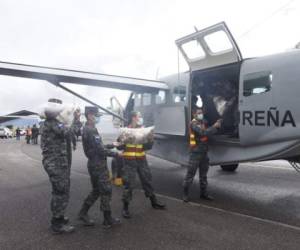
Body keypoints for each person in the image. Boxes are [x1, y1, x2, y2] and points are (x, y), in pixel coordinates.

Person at [77, 106, 121, 229]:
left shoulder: (88, 128)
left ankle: (82, 213)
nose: (98, 118)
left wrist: (111, 145)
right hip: (98, 165)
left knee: (96, 190)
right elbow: (100, 150)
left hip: (93, 164)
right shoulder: (90, 130)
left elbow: (97, 147)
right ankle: (107, 220)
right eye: (97, 116)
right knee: (106, 191)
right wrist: (116, 153)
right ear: (90, 115)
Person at [117, 111, 165, 219]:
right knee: (128, 184)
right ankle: (125, 208)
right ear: (134, 118)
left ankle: (154, 202)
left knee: (147, 180)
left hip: (141, 159)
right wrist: (122, 141)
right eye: (139, 116)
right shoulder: (125, 130)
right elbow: (119, 147)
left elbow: (147, 147)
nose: (140, 118)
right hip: (129, 160)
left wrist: (151, 140)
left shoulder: (143, 130)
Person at [41, 98, 75, 234]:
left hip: (56, 163)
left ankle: (59, 216)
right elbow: (68, 132)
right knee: (60, 192)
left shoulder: (48, 123)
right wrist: (75, 120)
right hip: (56, 164)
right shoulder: (53, 124)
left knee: (59, 191)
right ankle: (57, 223)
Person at [183, 108, 221, 202]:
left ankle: (203, 194)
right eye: (198, 113)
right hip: (195, 154)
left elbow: (207, 133)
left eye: (201, 113)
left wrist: (218, 125)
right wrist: (215, 126)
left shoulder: (202, 122)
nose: (201, 114)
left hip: (204, 153)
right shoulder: (193, 124)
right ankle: (185, 194)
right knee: (190, 175)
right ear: (194, 114)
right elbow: (203, 133)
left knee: (203, 175)